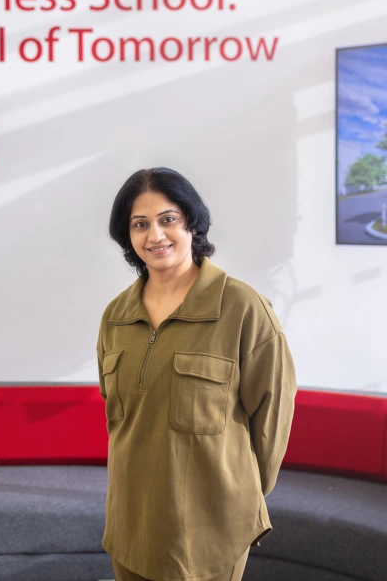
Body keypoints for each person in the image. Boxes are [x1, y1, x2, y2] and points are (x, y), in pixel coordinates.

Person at [96, 167, 297, 581]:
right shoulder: (116, 316)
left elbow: (272, 416)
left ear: (192, 222)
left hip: (210, 527)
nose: (155, 236)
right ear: (128, 236)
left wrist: (239, 495)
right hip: (131, 522)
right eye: (140, 224)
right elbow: (119, 420)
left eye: (167, 219)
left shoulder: (242, 307)